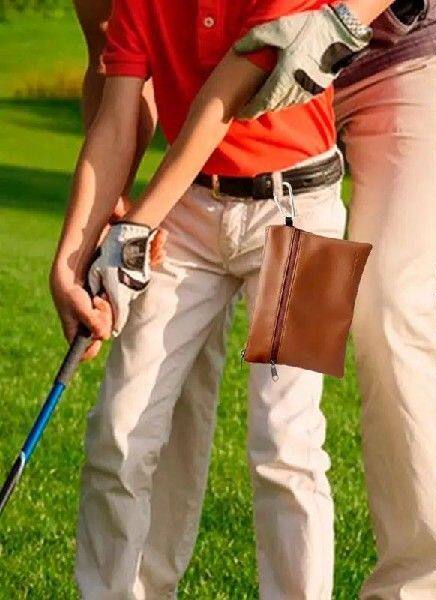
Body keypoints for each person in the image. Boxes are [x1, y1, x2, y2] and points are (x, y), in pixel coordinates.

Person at [54, 1, 373, 597]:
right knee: (119, 432)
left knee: (287, 441)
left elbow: (223, 102)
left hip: (306, 213)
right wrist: (70, 259)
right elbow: (118, 121)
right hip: (188, 212)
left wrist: (135, 227)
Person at [234, 1, 436, 598]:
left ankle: (415, 588)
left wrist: (336, 23)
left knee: (390, 304)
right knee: (291, 347)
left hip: (406, 56)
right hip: (279, 66)